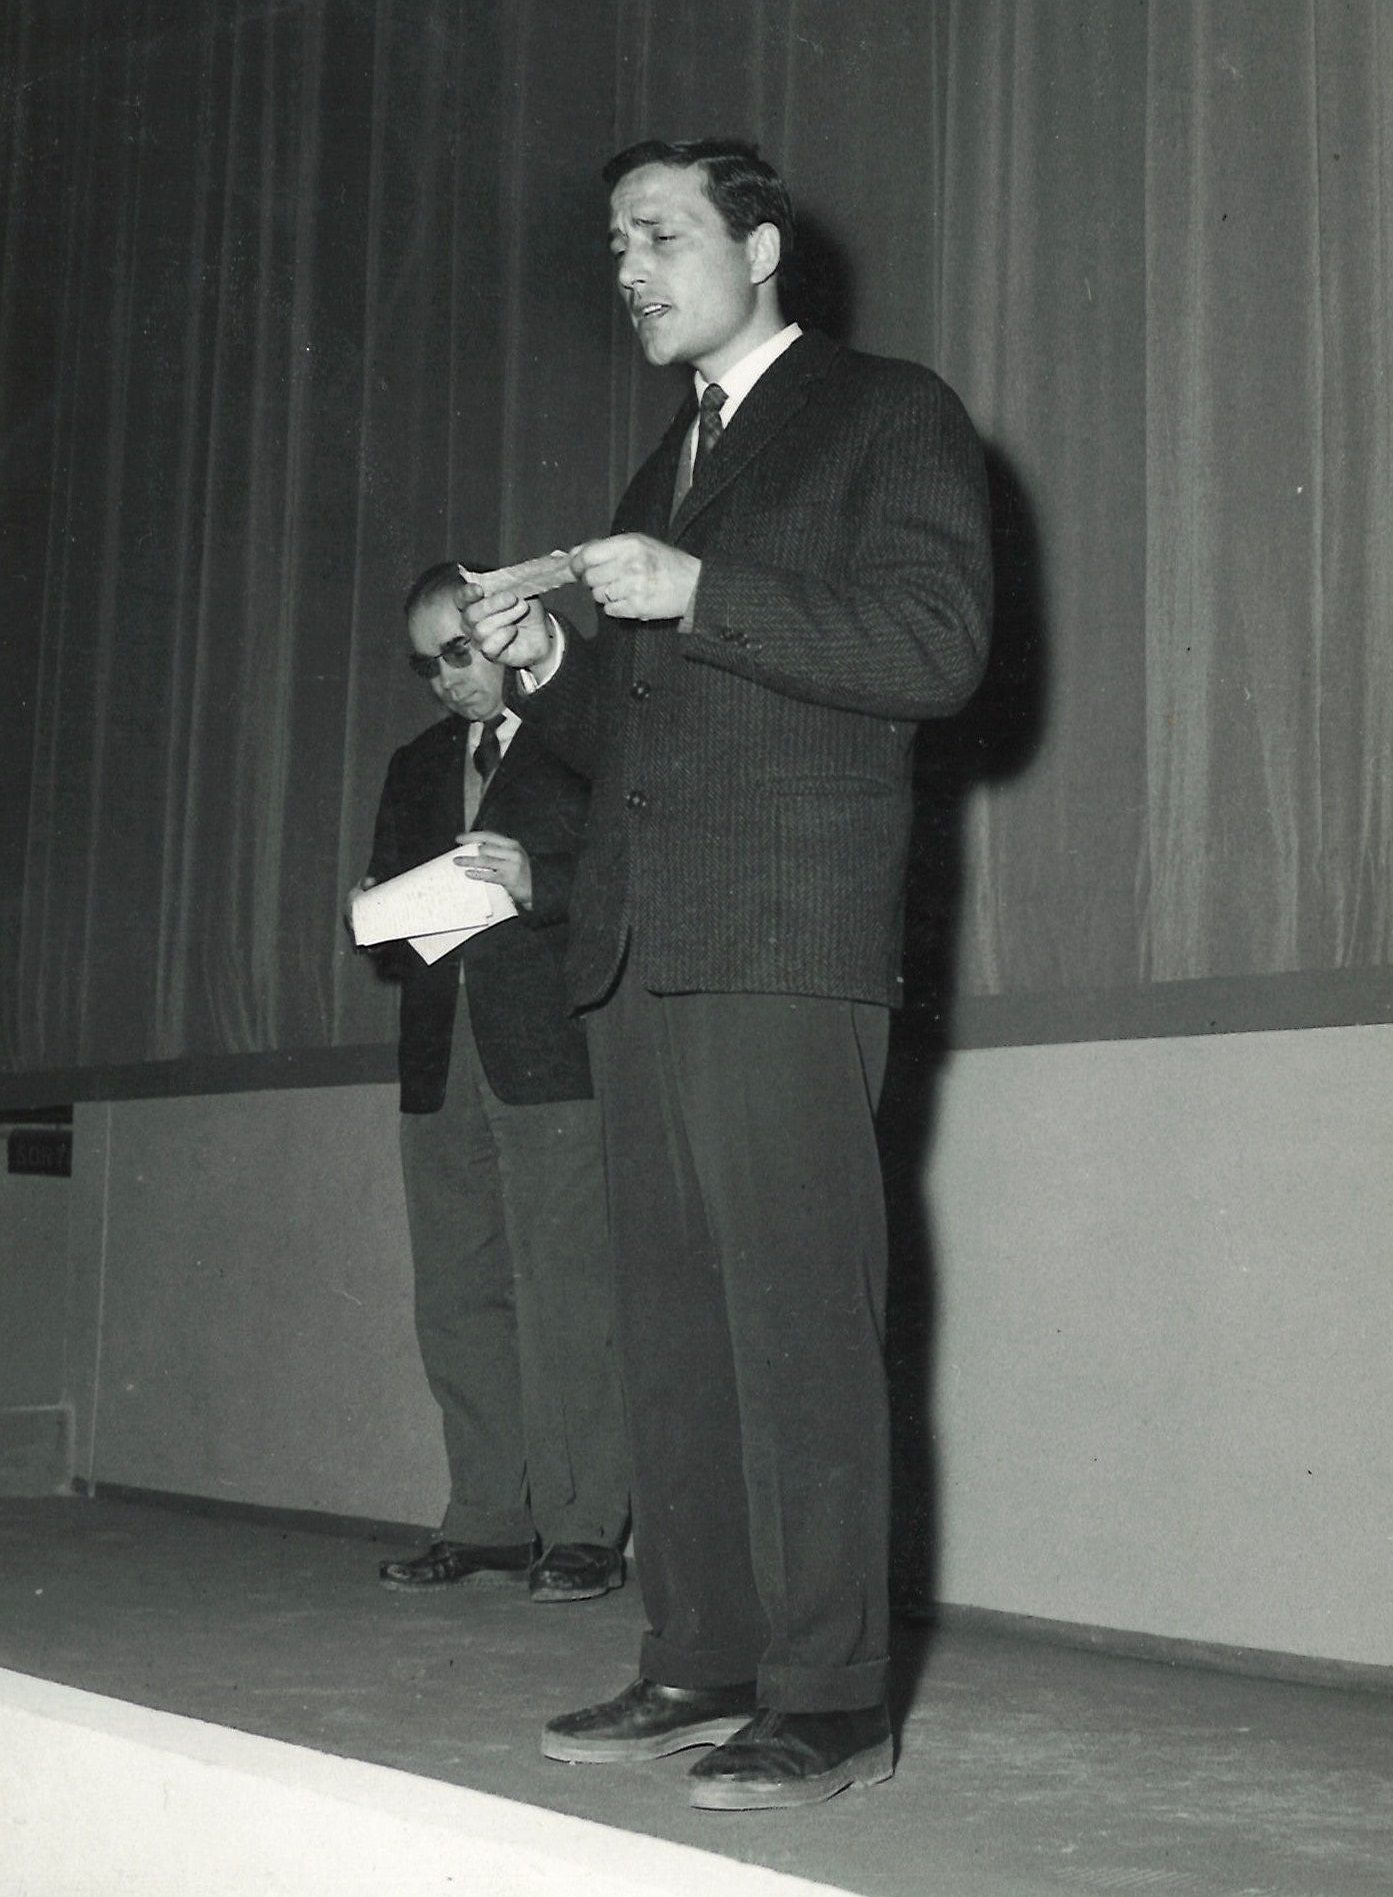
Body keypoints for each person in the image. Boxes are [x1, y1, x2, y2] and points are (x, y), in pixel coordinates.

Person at [464, 139, 993, 1808]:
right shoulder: (664, 462)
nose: (626, 267)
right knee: (674, 1330)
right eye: (613, 242)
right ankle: (700, 1652)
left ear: (758, 248)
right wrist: (553, 674)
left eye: (658, 233)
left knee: (797, 1321)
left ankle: (829, 1694)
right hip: (643, 946)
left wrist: (704, 588)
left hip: (781, 932)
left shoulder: (885, 412)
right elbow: (641, 726)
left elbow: (936, 646)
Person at [356, 561, 629, 1605]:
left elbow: (635, 882)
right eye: (428, 666)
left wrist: (537, 882)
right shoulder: (415, 764)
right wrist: (373, 910)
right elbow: (396, 920)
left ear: (510, 631)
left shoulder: (581, 740)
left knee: (571, 1294)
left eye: (459, 653)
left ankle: (583, 1527)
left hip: (553, 1054)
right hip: (440, 1059)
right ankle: (486, 1519)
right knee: (456, 1296)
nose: (446, 680)